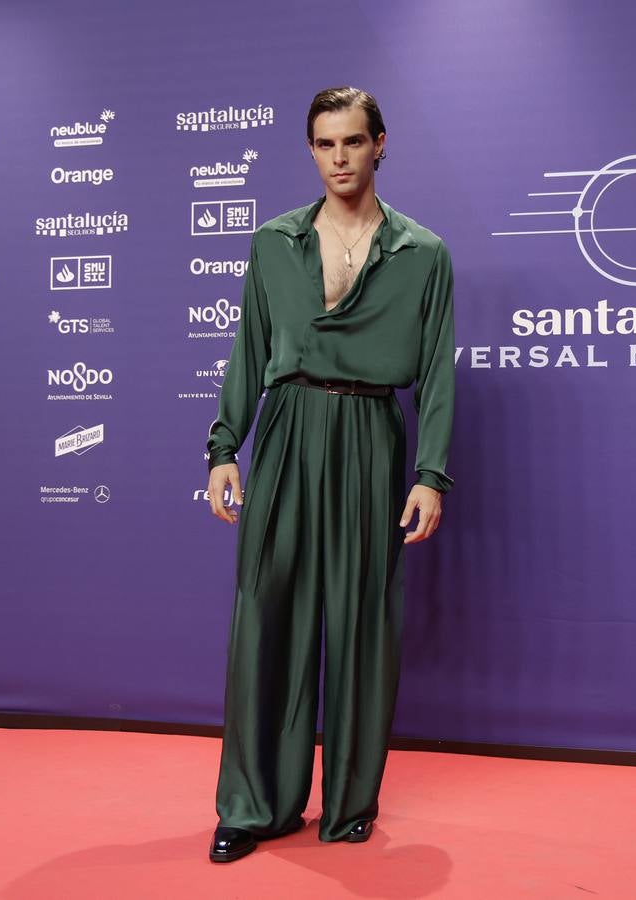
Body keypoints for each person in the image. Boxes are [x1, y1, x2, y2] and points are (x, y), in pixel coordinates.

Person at [205, 86, 456, 863]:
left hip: (371, 435)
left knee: (359, 625)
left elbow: (439, 374)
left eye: (352, 142)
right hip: (284, 432)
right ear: (311, 150)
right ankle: (253, 808)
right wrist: (223, 448)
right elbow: (249, 350)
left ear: (380, 144)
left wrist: (430, 473)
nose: (339, 158)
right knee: (266, 621)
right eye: (324, 144)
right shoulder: (273, 242)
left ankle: (349, 806)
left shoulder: (424, 253)